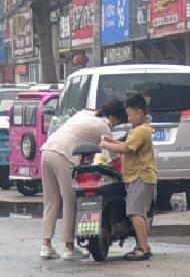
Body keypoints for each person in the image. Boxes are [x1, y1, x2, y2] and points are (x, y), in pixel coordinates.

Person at [38, 99, 128, 260]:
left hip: (47, 151)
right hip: (63, 155)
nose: (115, 126)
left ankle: (46, 245)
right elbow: (114, 158)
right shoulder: (103, 127)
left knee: (51, 201)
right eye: (118, 122)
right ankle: (69, 248)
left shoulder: (85, 114)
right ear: (115, 117)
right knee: (70, 199)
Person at [98, 93, 157, 262]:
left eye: (130, 115)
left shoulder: (141, 131)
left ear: (139, 113)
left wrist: (106, 144)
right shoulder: (141, 130)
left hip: (141, 176)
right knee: (140, 213)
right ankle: (144, 245)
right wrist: (112, 141)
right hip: (141, 176)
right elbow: (126, 145)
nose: (129, 118)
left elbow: (127, 149)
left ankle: (142, 248)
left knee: (134, 212)